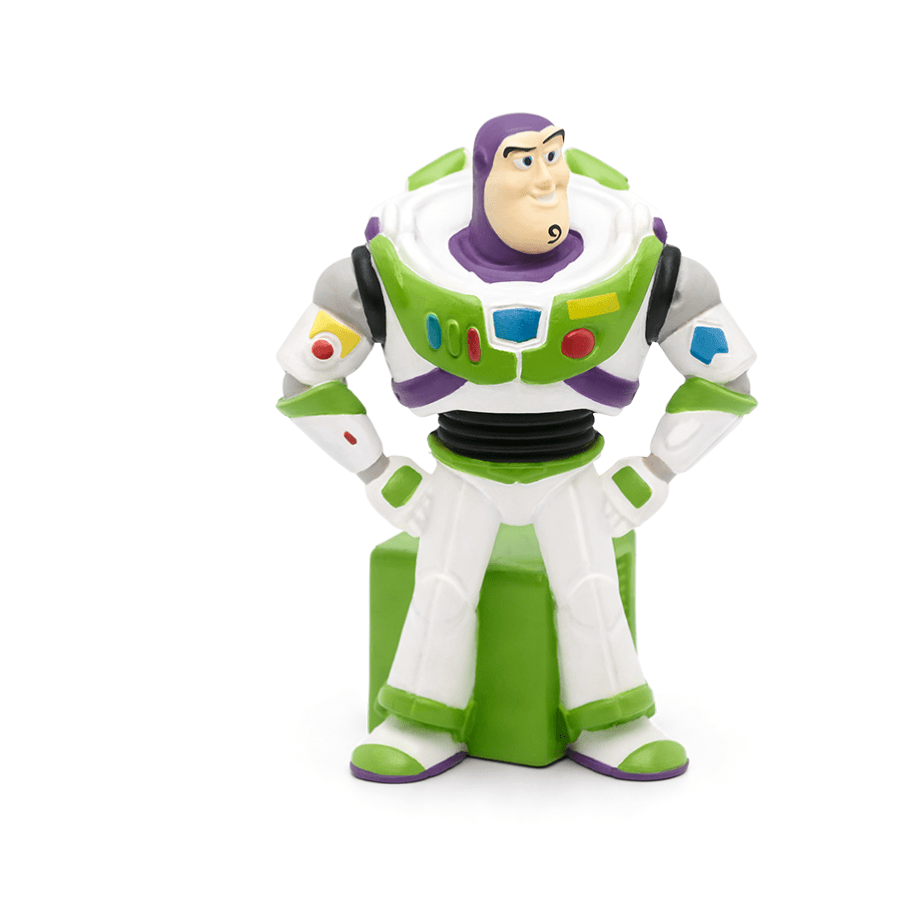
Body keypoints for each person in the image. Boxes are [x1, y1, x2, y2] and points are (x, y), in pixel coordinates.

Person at [277, 113, 757, 782]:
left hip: (571, 470)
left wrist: (655, 471)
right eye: (523, 160)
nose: (545, 178)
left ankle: (612, 720)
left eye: (554, 156)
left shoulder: (648, 268)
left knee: (592, 590)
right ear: (484, 175)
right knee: (440, 590)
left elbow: (725, 379)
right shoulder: (382, 271)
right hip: (460, 470)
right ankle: (420, 720)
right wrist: (379, 473)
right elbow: (307, 380)